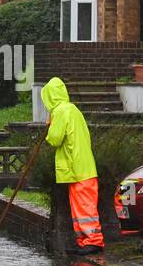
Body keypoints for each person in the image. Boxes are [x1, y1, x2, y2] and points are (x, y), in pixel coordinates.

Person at [42, 77, 104, 255]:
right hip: (81, 167)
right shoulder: (72, 109)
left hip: (77, 168)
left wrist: (50, 125)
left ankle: (93, 241)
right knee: (80, 207)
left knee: (85, 207)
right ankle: (84, 242)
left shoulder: (61, 111)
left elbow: (54, 139)